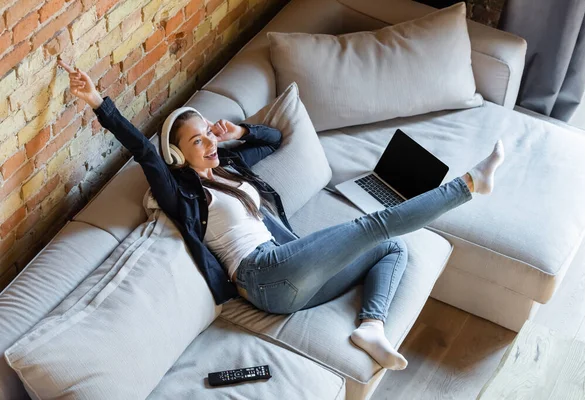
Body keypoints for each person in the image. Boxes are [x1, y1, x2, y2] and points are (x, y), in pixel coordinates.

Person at [58, 59, 504, 371]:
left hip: (290, 275)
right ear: (176, 154)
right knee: (374, 224)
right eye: (197, 142)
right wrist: (99, 101)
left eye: (207, 135)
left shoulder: (231, 169)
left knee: (390, 245)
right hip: (262, 277)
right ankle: (468, 185)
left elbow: (273, 139)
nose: (209, 144)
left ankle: (370, 326)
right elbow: (141, 149)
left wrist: (239, 131)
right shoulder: (183, 193)